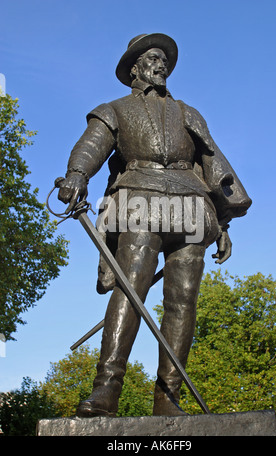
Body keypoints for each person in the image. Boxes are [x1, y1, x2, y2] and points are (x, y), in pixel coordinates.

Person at [58, 33, 252, 417]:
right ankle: (106, 392)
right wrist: (77, 174)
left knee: (183, 302)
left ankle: (168, 398)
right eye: (152, 58)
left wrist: (225, 222)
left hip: (192, 205)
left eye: (164, 59)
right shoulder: (114, 109)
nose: (161, 64)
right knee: (131, 289)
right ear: (135, 67)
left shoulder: (188, 113)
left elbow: (212, 164)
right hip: (139, 199)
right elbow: (91, 145)